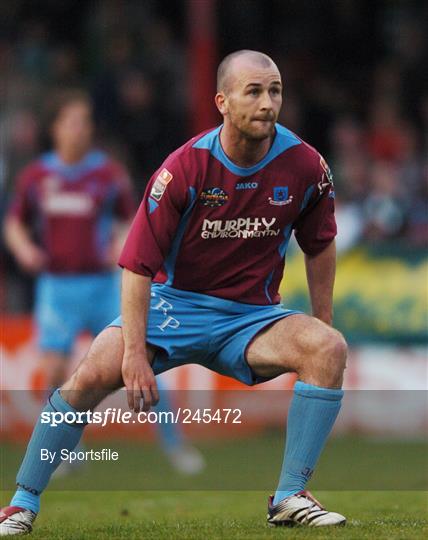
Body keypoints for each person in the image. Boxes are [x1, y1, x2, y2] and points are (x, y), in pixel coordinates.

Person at [0, 50, 348, 535]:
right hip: (174, 305)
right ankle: (21, 503)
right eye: (254, 91)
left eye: (275, 91)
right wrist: (135, 354)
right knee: (92, 371)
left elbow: (321, 244)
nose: (268, 103)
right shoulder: (183, 168)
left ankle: (290, 495)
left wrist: (322, 321)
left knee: (328, 348)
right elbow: (137, 264)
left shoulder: (306, 165)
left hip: (251, 318)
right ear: (222, 102)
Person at [2, 89, 204, 476]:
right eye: (73, 121)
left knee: (141, 358)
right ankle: (64, 452)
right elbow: (14, 222)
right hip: (57, 287)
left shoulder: (108, 173)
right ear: (56, 128)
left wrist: (119, 243)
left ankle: (174, 443)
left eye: (86, 122)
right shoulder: (37, 176)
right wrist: (24, 247)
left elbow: (135, 219)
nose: (81, 129)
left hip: (104, 285)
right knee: (56, 369)